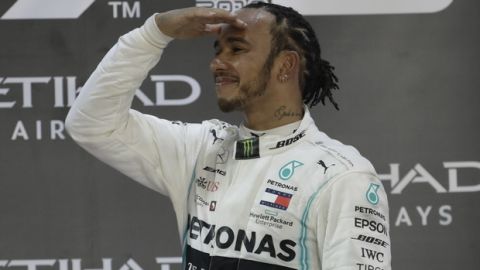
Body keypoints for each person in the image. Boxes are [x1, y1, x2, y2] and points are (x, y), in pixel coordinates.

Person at [66, 2, 391, 270]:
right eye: (217, 49)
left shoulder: (342, 177)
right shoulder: (200, 149)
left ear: (285, 66)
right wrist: (154, 33)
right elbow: (91, 122)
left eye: (236, 49)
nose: (216, 63)